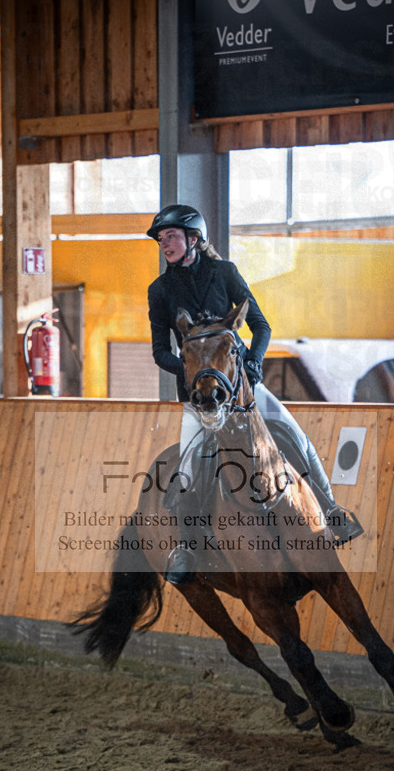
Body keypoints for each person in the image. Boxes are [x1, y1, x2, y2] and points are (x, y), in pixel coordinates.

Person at [146, 203, 362, 586]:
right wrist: (197, 372)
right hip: (201, 396)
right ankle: (185, 547)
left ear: (194, 239)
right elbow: (161, 351)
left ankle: (332, 513)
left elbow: (260, 325)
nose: (165, 244)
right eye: (162, 239)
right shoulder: (160, 290)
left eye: (172, 237)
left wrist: (254, 363)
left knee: (296, 436)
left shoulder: (224, 272)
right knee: (187, 467)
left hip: (242, 385)